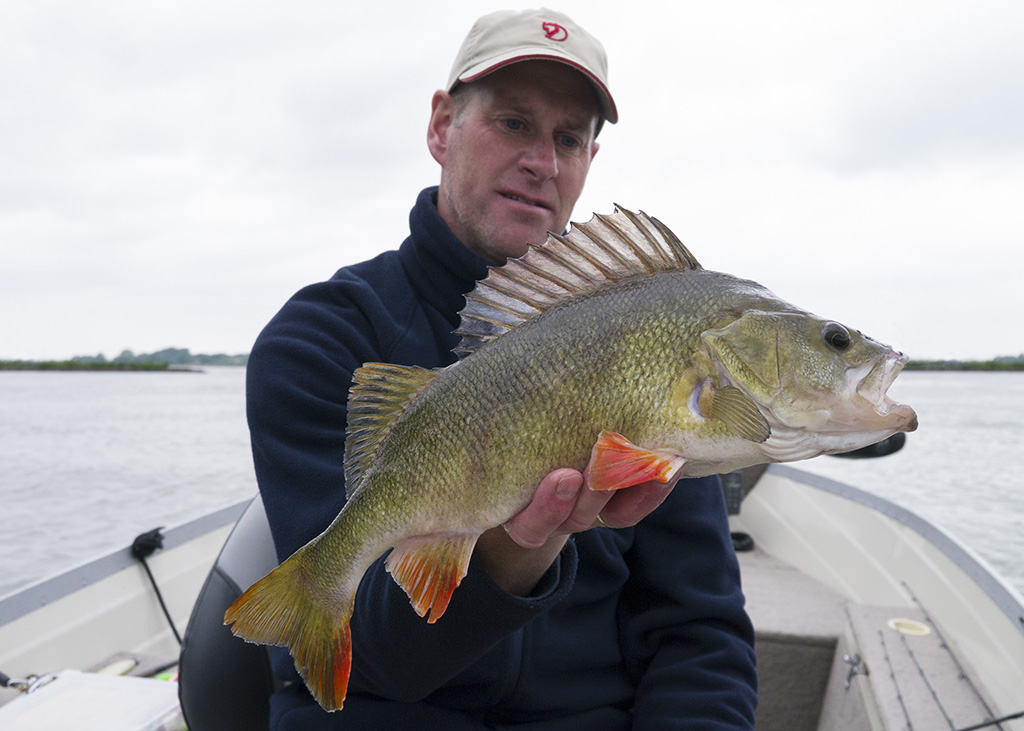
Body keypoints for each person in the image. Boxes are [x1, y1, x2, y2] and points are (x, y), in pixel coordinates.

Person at [246, 8, 757, 730]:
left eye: (568, 139)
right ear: (441, 126)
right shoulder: (323, 337)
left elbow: (699, 635)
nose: (542, 162)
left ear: (589, 160)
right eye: (514, 123)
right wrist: (513, 554)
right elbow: (371, 657)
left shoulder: (661, 341)